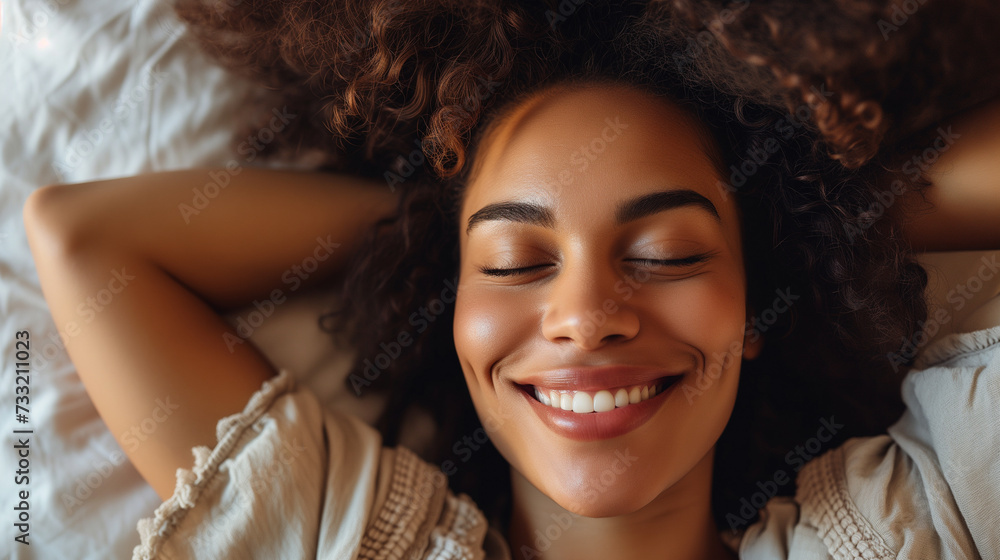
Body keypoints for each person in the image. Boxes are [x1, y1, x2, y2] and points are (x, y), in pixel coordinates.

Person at [22, 1, 1000, 558]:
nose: (581, 315)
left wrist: (809, 221)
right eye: (515, 264)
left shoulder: (903, 533)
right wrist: (426, 232)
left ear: (751, 307)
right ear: (454, 310)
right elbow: (88, 239)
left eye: (667, 254)